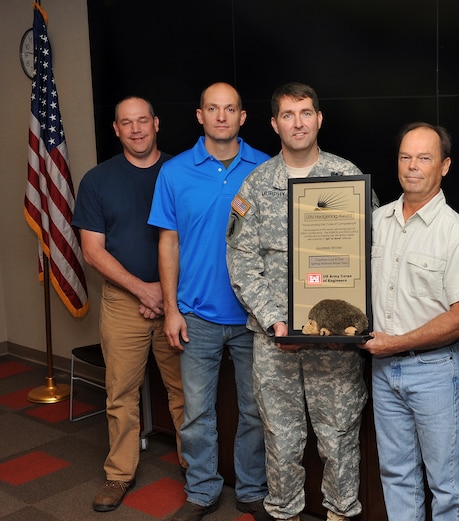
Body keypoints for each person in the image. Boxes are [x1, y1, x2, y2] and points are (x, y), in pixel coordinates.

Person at [226, 82, 375, 521]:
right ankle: (285, 513)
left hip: (334, 344)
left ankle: (341, 514)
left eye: (305, 113)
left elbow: (368, 253)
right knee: (282, 441)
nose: (298, 122)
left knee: (339, 439)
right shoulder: (255, 185)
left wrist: (350, 320)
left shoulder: (346, 178)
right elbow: (241, 264)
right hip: (276, 344)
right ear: (274, 124)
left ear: (319, 119)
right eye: (288, 115)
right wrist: (275, 322)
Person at [148, 82, 271, 521]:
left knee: (255, 412)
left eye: (231, 109)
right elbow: (168, 243)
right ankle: (201, 491)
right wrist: (171, 309)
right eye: (212, 109)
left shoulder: (265, 169)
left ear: (243, 116)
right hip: (195, 316)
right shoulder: (175, 172)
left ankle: (252, 490)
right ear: (199, 115)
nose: (222, 116)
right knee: (197, 413)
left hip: (254, 318)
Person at [360, 122, 459, 521]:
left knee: (446, 485)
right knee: (396, 474)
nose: (413, 166)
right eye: (405, 157)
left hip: (434, 371)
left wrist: (395, 344)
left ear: (444, 166)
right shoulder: (375, 223)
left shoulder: (456, 234)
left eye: (425, 158)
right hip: (382, 368)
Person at [73, 96, 186, 513]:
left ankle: (198, 470)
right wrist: (144, 289)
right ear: (116, 130)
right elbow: (92, 251)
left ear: (156, 123)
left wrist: (165, 293)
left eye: (143, 121)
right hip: (124, 302)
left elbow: (197, 238)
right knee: (120, 393)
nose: (136, 129)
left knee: (185, 393)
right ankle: (119, 474)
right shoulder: (97, 180)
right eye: (126, 123)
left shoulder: (181, 171)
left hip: (179, 300)